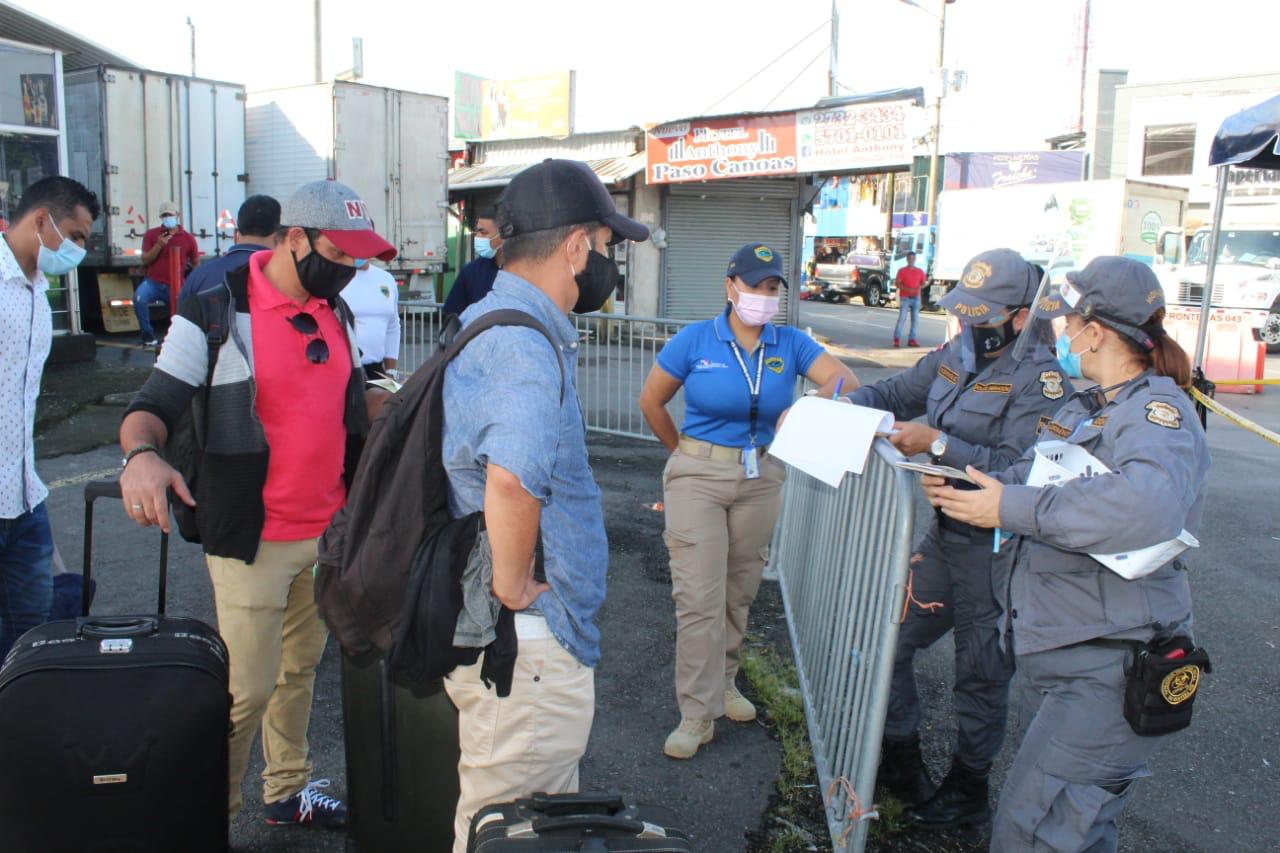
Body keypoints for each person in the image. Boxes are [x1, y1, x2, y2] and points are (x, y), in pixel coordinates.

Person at [119, 179, 396, 830]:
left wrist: (403, 401)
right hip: (251, 536)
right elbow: (151, 406)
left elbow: (349, 401)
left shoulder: (337, 311)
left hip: (327, 532)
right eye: (341, 253)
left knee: (299, 669)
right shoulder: (214, 308)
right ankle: (205, 818)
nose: (352, 269)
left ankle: (286, 789)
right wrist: (142, 457)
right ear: (294, 239)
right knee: (246, 689)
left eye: (359, 257)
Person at [924, 257, 1208, 852]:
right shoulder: (1090, 404)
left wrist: (1009, 510)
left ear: (1096, 330)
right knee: (1074, 831)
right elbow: (1029, 477)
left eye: (1071, 321)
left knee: (1032, 835)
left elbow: (1146, 505)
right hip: (1072, 659)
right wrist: (969, 486)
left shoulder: (1157, 413)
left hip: (1111, 670)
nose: (1062, 334)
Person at [440, 159, 648, 851]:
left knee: (521, 824)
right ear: (577, 246)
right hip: (524, 643)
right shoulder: (524, 344)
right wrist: (513, 584)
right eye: (607, 247)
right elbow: (511, 480)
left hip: (515, 641)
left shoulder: (493, 318)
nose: (607, 265)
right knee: (511, 826)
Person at [845, 249, 1072, 829]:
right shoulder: (953, 355)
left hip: (997, 549)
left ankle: (968, 790)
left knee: (980, 672)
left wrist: (938, 445)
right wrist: (839, 409)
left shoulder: (1042, 383)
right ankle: (899, 756)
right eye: (963, 311)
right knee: (890, 639)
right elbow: (896, 394)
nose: (969, 323)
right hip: (946, 535)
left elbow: (1019, 468)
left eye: (983, 314)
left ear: (1021, 317)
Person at [639, 243, 858, 760]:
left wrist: (807, 404)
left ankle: (725, 681)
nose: (763, 297)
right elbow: (651, 400)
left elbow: (846, 379)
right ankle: (696, 711)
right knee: (699, 599)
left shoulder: (790, 343)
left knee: (739, 589)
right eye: (754, 286)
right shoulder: (696, 340)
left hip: (762, 475)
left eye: (772, 288)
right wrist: (685, 457)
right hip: (698, 475)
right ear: (730, 288)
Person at [0, 176, 98, 659]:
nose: (79, 250)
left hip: (24, 501)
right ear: (41, 220)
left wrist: (28, 487)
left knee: (33, 641)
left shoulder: (37, 289)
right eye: (75, 236)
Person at [178, 195, 281, 306]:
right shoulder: (288, 277)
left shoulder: (199, 275)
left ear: (235, 234)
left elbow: (181, 317)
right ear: (279, 235)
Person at [135, 201, 200, 347]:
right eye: (164, 216)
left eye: (169, 215)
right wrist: (159, 245)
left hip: (175, 283)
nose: (167, 218)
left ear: (177, 216)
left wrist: (192, 283)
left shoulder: (188, 238)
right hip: (154, 281)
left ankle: (176, 339)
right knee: (139, 298)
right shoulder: (152, 235)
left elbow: (195, 261)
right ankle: (147, 336)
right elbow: (145, 259)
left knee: (182, 311)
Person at [341, 259, 401, 379]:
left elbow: (392, 327)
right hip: (344, 369)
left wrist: (391, 371)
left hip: (375, 370)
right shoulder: (335, 278)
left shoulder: (386, 278)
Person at [443, 209, 503, 317]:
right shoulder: (471, 272)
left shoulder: (523, 272)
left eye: (483, 232)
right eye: (477, 232)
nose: (477, 237)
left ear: (503, 236)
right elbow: (453, 316)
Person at [894, 250, 926, 348]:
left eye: (913, 258)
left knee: (915, 319)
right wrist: (905, 288)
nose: (911, 260)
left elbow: (923, 283)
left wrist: (919, 288)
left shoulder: (919, 271)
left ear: (915, 259)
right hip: (905, 297)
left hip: (916, 297)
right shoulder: (902, 271)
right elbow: (897, 283)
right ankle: (897, 339)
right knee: (902, 318)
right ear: (907, 259)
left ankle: (912, 339)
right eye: (910, 258)